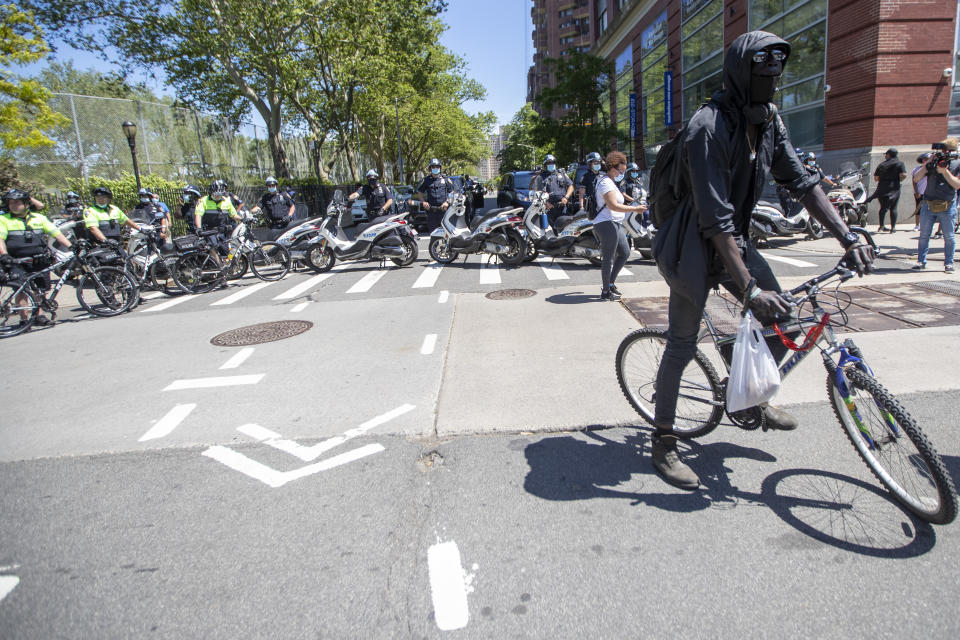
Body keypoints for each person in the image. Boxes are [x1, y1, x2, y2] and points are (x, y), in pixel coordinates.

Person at [648, 31, 875, 489]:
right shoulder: (706, 126)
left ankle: (746, 389)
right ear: (740, 72)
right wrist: (749, 290)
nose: (772, 81)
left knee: (786, 324)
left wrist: (847, 235)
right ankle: (664, 441)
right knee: (682, 344)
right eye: (762, 72)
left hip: (735, 239)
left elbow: (804, 182)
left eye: (777, 72)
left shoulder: (769, 119)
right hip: (692, 244)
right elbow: (713, 218)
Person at [0, 189, 73, 326]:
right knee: (21, 290)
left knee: (40, 290)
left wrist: (71, 247)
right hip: (17, 260)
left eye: (17, 203)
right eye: (11, 203)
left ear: (27, 204)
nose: (14, 205)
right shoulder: (4, 219)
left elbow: (57, 234)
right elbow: (0, 239)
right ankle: (24, 319)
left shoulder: (39, 218)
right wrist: (4, 254)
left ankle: (39, 316)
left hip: (39, 259)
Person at [594, 151, 646, 301]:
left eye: (623, 171)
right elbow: (613, 206)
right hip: (606, 223)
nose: (621, 174)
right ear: (612, 168)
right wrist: (635, 209)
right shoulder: (604, 182)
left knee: (625, 252)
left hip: (615, 222)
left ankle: (610, 283)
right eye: (620, 170)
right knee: (608, 258)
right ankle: (605, 292)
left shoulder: (611, 182)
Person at [912, 137, 959, 273]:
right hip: (928, 203)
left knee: (949, 236)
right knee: (924, 235)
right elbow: (917, 178)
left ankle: (949, 264)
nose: (943, 153)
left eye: (946, 150)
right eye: (942, 150)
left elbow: (957, 185)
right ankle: (921, 261)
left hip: (947, 205)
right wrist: (928, 164)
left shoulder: (957, 164)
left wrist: (945, 172)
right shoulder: (932, 162)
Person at [868, 148, 907, 232]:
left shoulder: (882, 165)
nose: (885, 156)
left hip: (882, 188)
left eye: (886, 154)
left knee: (883, 208)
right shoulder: (900, 163)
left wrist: (883, 179)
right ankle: (893, 228)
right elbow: (904, 175)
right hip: (895, 188)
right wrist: (898, 179)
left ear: (889, 155)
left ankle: (881, 226)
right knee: (893, 208)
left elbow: (876, 178)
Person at [409, 158, 453, 232]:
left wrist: (447, 202)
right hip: (431, 212)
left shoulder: (445, 179)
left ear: (440, 168)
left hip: (444, 211)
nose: (435, 168)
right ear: (430, 168)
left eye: (437, 167)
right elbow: (420, 192)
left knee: (447, 234)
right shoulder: (426, 180)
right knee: (433, 235)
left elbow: (452, 192)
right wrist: (423, 202)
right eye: (433, 167)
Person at [194, 180, 241, 249]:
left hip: (222, 232)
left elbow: (234, 215)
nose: (217, 197)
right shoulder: (203, 201)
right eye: (215, 195)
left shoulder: (227, 201)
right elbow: (198, 215)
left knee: (226, 252)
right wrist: (199, 228)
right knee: (213, 247)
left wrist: (243, 218)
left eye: (219, 195)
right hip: (209, 231)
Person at [533, 154, 574, 231]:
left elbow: (571, 186)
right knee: (553, 230)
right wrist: (546, 203)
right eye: (549, 163)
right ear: (545, 165)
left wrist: (566, 197)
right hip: (549, 209)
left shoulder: (561, 173)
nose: (552, 165)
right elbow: (537, 192)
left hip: (563, 207)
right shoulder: (540, 177)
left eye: (553, 163)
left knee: (567, 229)